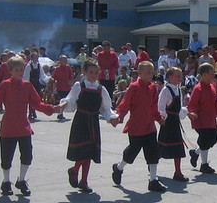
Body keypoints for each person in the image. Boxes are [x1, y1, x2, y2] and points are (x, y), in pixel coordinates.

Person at [0, 55, 61, 196]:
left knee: (27, 156)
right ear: (11, 70)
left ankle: (21, 180)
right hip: (8, 127)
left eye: (21, 69)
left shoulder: (27, 86)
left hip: (24, 127)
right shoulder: (5, 85)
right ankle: (6, 182)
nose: (20, 72)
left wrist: (51, 109)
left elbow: (37, 103)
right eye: (17, 69)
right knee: (6, 157)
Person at [62, 60, 118, 194]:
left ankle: (84, 180)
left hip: (93, 120)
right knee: (84, 149)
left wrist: (111, 118)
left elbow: (105, 108)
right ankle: (75, 170)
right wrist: (61, 106)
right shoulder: (79, 85)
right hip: (81, 120)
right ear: (84, 72)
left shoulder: (101, 89)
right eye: (91, 72)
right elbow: (70, 101)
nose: (94, 75)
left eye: (96, 73)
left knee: (90, 151)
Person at [112, 61, 166, 192]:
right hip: (136, 126)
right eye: (148, 72)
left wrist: (159, 118)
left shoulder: (153, 88)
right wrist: (119, 117)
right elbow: (125, 104)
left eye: (152, 72)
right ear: (140, 73)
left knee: (153, 153)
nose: (150, 75)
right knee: (132, 151)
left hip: (149, 126)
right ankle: (119, 168)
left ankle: (153, 180)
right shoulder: (133, 87)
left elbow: (154, 107)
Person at [187, 63, 217, 174]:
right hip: (201, 120)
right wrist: (192, 113)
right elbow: (192, 104)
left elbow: (215, 103)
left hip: (211, 119)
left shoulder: (212, 87)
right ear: (204, 75)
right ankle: (204, 165)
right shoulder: (198, 89)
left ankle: (195, 153)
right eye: (211, 74)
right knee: (204, 139)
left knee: (212, 139)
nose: (214, 76)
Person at [157, 67, 189, 182]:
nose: (180, 78)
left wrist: (187, 113)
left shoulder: (179, 90)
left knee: (178, 147)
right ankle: (153, 164)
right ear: (170, 77)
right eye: (177, 76)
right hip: (167, 122)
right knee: (162, 146)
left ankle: (178, 172)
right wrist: (163, 117)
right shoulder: (166, 90)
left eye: (180, 76)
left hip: (175, 121)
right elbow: (160, 106)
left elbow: (179, 107)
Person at [50, 55, 74, 121]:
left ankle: (60, 113)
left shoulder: (68, 67)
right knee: (62, 100)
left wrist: (71, 82)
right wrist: (53, 81)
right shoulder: (57, 69)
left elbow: (71, 76)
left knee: (65, 101)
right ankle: (60, 114)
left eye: (66, 60)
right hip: (60, 87)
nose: (65, 61)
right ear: (60, 61)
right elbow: (53, 77)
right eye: (63, 60)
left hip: (67, 87)